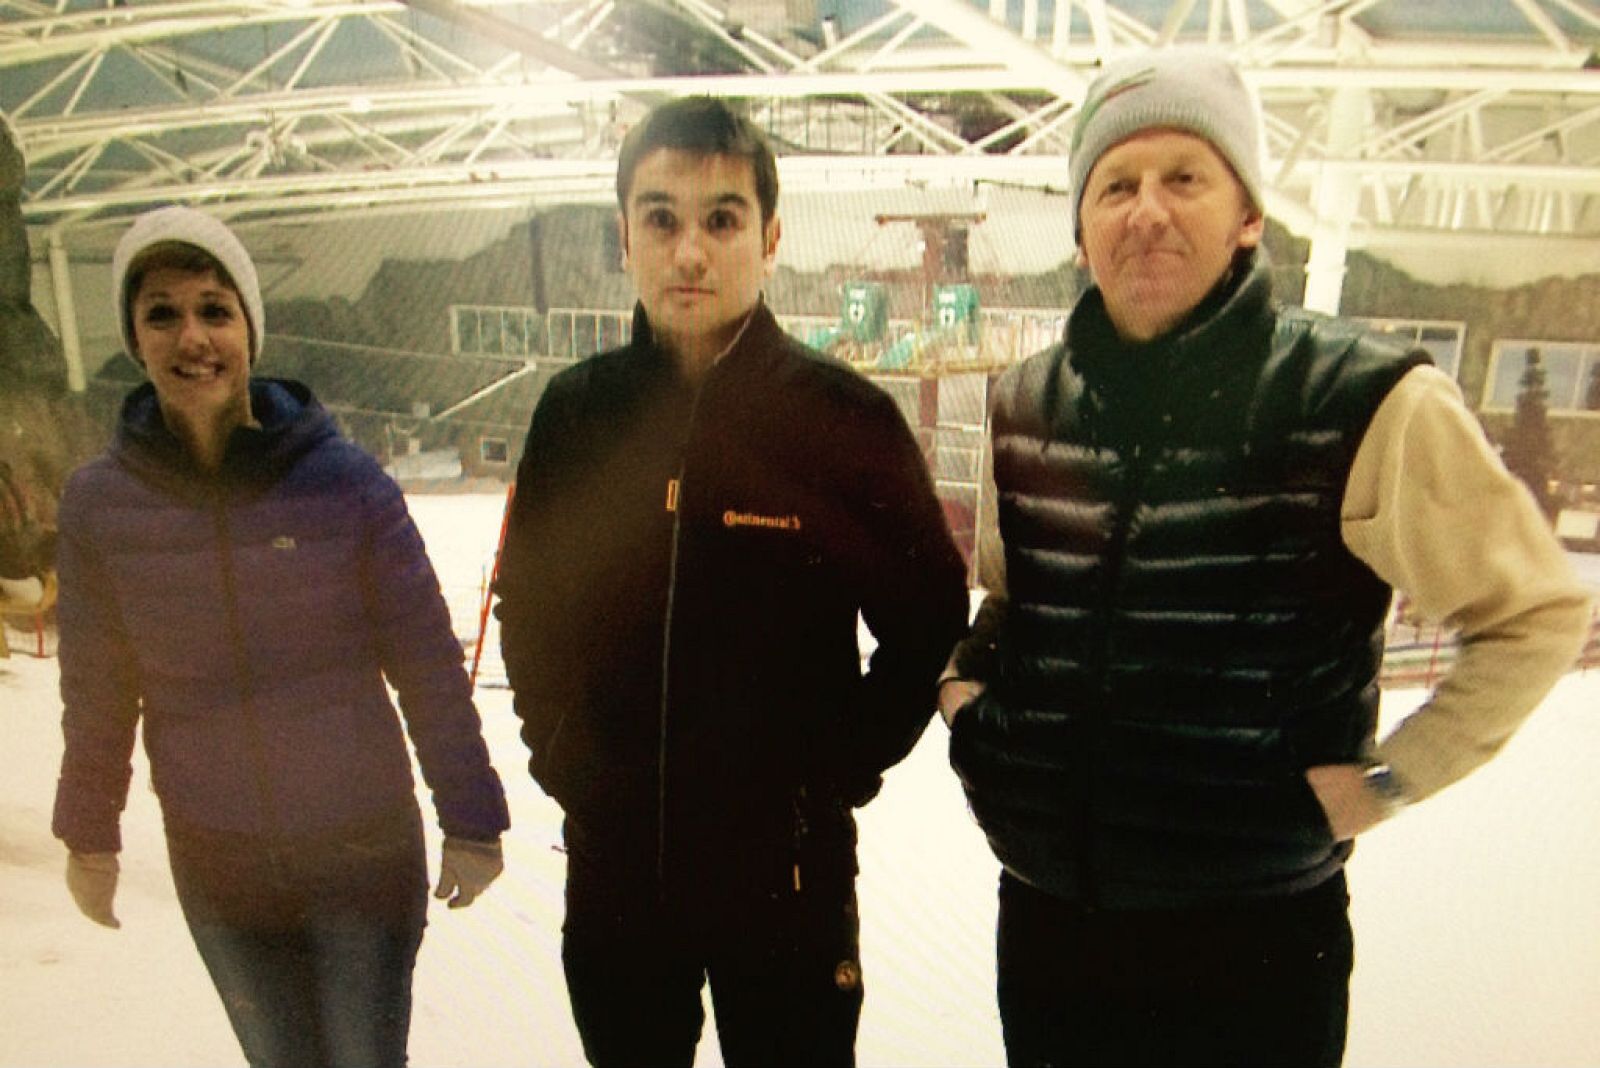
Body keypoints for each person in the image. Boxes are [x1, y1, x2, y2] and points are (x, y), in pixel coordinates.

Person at [938, 49, 1594, 1068]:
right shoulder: (1024, 400)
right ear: (1080, 226)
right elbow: (1012, 596)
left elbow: (1537, 613)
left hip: (1248, 948)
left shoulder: (1363, 401)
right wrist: (966, 706)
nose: (1145, 210)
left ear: (1248, 214)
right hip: (1049, 924)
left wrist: (1387, 780)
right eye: (1115, 184)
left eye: (1183, 177)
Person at [494, 96, 969, 1067]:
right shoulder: (577, 416)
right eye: (661, 218)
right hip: (618, 875)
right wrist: (569, 761)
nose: (690, 252)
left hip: (785, 886)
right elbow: (531, 606)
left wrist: (832, 773)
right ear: (624, 235)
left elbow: (927, 621)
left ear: (770, 235)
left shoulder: (844, 423)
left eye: (722, 218)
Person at [51, 205, 510, 1067]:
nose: (193, 337)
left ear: (249, 332)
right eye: (162, 313)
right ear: (136, 339)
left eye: (214, 310)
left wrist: (472, 814)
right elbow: (97, 688)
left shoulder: (344, 482)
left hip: (360, 850)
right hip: (218, 862)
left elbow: (425, 661)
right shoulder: (100, 506)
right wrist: (90, 831)